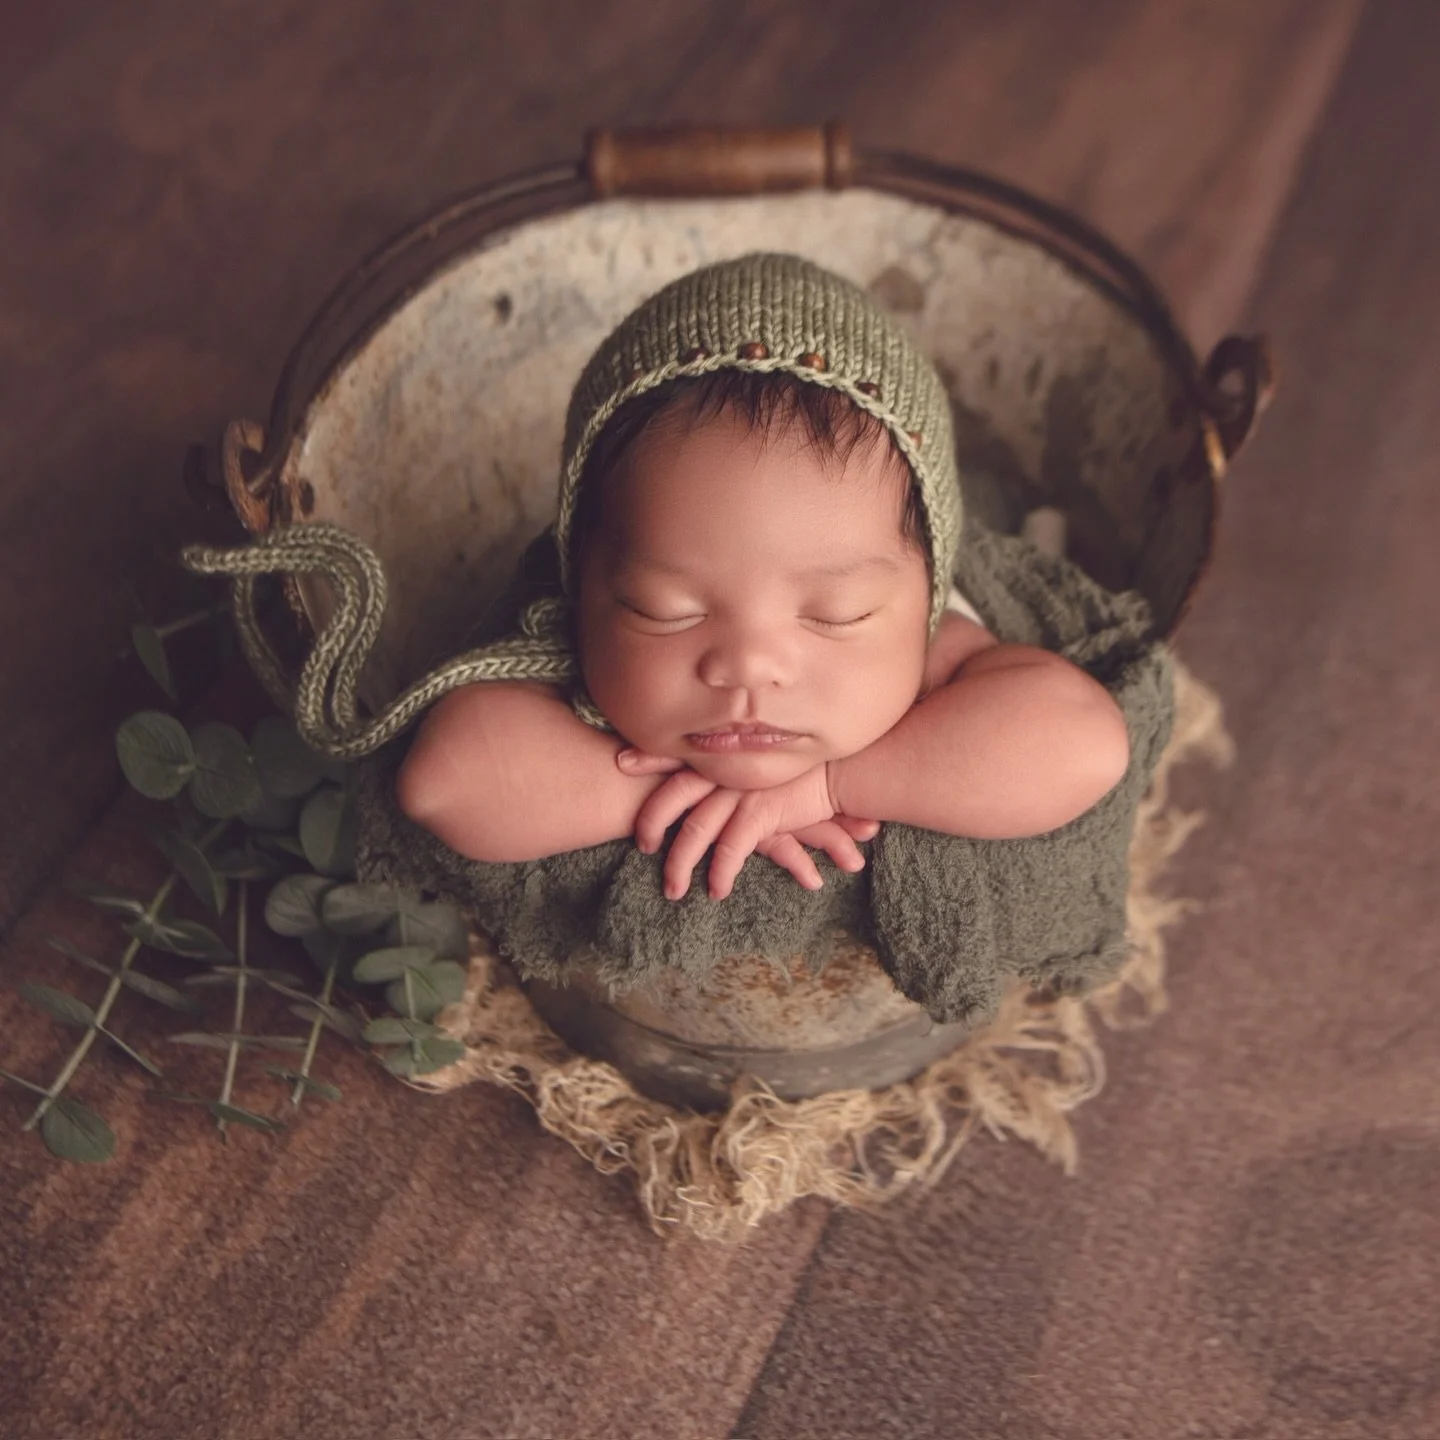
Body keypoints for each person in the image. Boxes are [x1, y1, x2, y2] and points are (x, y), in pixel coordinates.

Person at [396, 253, 1130, 903]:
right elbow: (446, 783)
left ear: (926, 592)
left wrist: (830, 786)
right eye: (666, 608)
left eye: (836, 614)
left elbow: (1083, 742)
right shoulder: (568, 641)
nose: (748, 662)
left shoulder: (937, 650)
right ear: (582, 582)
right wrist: (672, 793)